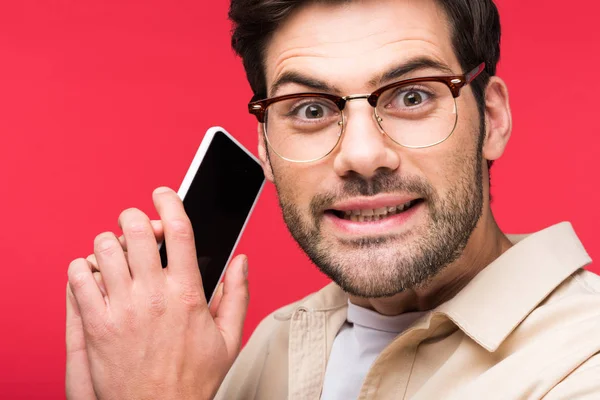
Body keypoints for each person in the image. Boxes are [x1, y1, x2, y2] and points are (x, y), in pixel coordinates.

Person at [65, 0, 600, 399]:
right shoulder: (253, 355)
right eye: (311, 109)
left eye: (413, 96)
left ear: (494, 120)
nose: (363, 156)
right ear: (267, 152)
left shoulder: (583, 361)